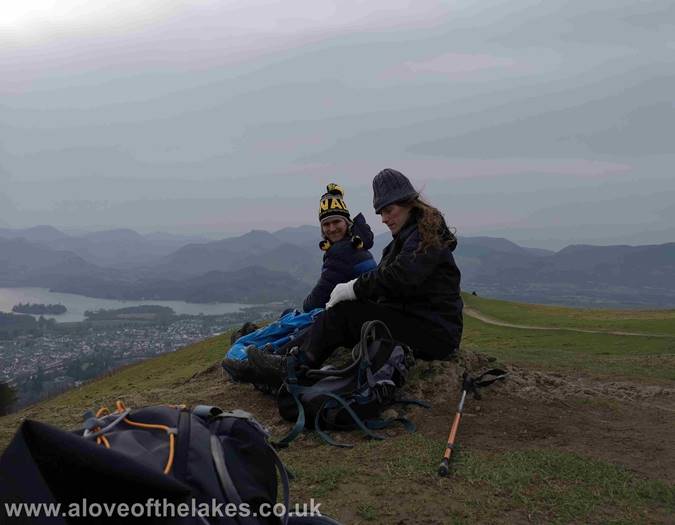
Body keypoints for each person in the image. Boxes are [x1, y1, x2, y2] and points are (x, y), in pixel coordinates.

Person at [247, 168, 463, 385]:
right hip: (419, 321)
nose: (385, 219)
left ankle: (289, 368)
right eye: (381, 213)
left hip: (435, 333)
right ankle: (279, 358)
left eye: (389, 210)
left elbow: (401, 277)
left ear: (408, 202)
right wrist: (360, 298)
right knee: (339, 314)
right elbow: (392, 284)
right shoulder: (406, 238)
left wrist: (353, 288)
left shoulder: (425, 237)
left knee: (344, 313)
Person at [302, 183, 377, 312]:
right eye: (326, 224)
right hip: (370, 312)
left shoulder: (341, 252)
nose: (332, 229)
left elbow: (313, 304)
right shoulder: (357, 245)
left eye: (336, 222)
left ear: (347, 223)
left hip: (358, 319)